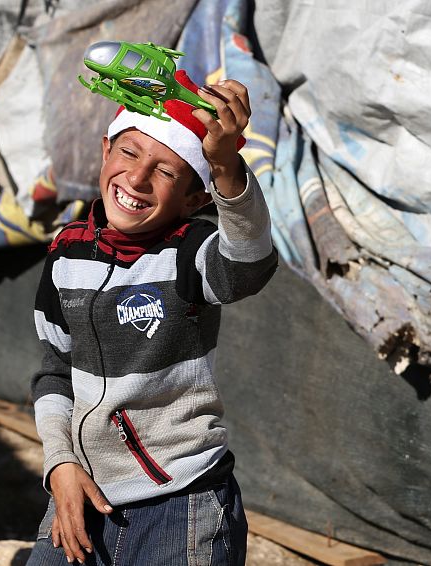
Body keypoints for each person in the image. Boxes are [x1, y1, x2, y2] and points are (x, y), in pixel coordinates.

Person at [27, 69, 277, 566]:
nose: (137, 179)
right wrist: (59, 465)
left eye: (165, 171)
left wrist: (225, 163)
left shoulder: (190, 253)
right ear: (105, 150)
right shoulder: (66, 255)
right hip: (81, 495)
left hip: (180, 505)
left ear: (195, 198)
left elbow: (246, 267)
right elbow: (55, 370)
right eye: (129, 153)